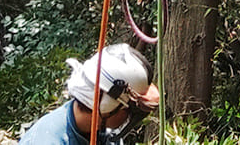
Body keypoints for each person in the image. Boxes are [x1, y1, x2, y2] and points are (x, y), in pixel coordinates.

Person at [18, 43, 159, 145]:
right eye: (128, 110)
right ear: (107, 107)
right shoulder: (46, 141)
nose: (129, 117)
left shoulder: (103, 131)